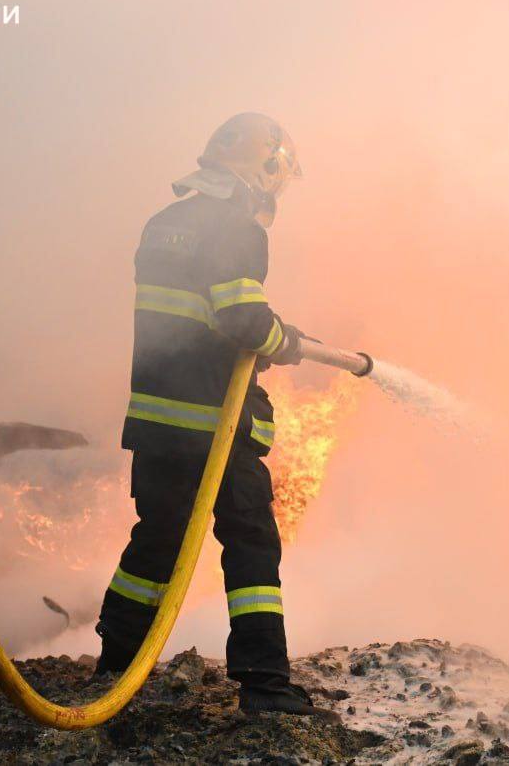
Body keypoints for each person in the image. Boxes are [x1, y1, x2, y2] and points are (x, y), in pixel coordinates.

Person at [96, 112, 332, 718]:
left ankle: (116, 661)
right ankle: (264, 682)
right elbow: (244, 320)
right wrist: (286, 342)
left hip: (157, 422)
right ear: (265, 169)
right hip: (215, 423)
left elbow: (191, 316)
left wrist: (273, 333)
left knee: (159, 539)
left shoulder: (164, 224)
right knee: (251, 546)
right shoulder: (237, 227)